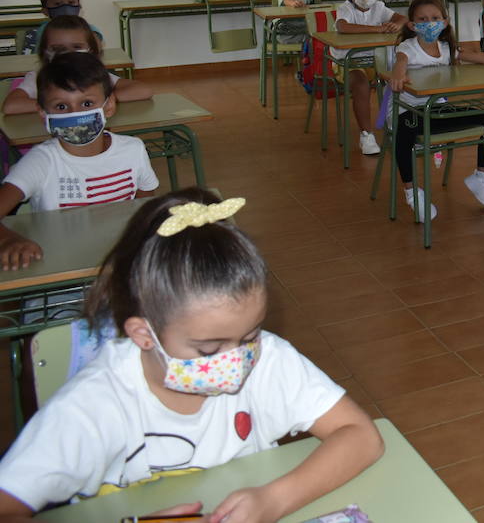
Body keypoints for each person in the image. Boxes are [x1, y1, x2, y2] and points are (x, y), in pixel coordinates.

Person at [0, 188, 384, 520]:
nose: (238, 359)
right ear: (143, 333)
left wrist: (274, 500)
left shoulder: (270, 360)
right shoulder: (93, 404)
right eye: (209, 349)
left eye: (249, 336)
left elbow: (361, 436)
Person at [0, 52, 159, 270]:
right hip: (59, 271)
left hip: (118, 266)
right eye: (62, 107)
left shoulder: (133, 150)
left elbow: (143, 202)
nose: (75, 115)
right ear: (43, 113)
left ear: (109, 105)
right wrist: (9, 239)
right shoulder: (42, 161)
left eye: (86, 103)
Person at [385, 0, 484, 219]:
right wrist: (397, 74)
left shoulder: (446, 49)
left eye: (435, 18)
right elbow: (400, 62)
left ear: (445, 22)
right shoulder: (408, 47)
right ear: (412, 25)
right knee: (404, 130)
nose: (429, 23)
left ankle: (480, 176)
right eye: (422, 19)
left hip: (436, 110)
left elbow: (483, 58)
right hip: (408, 110)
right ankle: (412, 192)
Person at [3, 15, 151, 115]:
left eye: (76, 47)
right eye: (58, 49)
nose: (68, 54)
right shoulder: (39, 77)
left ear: (92, 51)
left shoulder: (93, 76)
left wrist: (97, 102)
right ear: (45, 52)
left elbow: (143, 90)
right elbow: (10, 106)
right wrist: (61, 106)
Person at [333, 0, 406, 157]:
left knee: (395, 81)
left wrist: (396, 24)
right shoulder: (345, 9)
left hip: (376, 62)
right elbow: (343, 27)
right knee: (361, 85)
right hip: (348, 64)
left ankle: (389, 123)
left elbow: (401, 18)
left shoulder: (379, 7)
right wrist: (377, 29)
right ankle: (367, 134)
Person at [22, 0, 103, 54]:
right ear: (45, 11)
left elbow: (96, 52)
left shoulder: (89, 29)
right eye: (57, 4)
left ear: (79, 6)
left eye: (71, 2)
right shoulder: (44, 31)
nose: (66, 8)